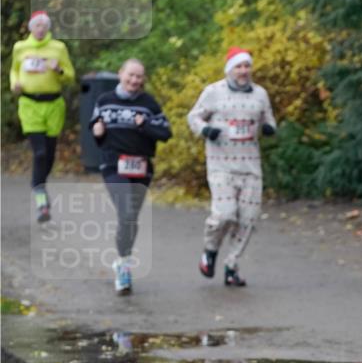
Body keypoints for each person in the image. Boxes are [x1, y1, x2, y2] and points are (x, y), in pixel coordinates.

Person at [187, 47, 277, 287]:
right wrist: (205, 129)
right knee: (225, 214)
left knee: (248, 220)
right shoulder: (213, 92)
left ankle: (232, 265)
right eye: (239, 66)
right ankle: (210, 250)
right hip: (221, 165)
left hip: (251, 167)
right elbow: (193, 117)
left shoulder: (260, 94)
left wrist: (269, 128)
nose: (244, 71)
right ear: (229, 69)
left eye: (247, 66)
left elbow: (269, 119)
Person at [90, 59, 172, 295]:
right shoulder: (105, 101)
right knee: (125, 212)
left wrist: (144, 125)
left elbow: (165, 133)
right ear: (120, 74)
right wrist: (97, 131)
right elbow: (96, 129)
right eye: (131, 75)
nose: (135, 80)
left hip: (141, 167)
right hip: (114, 165)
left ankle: (122, 260)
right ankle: (124, 266)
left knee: (131, 218)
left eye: (139, 77)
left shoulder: (149, 104)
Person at [9, 10, 76, 222]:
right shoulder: (20, 48)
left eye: (43, 25)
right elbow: (14, 70)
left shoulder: (58, 48)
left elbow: (71, 77)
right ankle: (41, 198)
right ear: (30, 28)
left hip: (53, 105)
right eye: (36, 25)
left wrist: (59, 71)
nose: (39, 29)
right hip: (29, 104)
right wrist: (15, 84)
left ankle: (40, 186)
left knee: (48, 154)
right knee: (38, 153)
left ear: (48, 28)